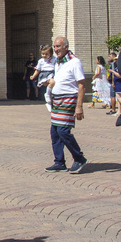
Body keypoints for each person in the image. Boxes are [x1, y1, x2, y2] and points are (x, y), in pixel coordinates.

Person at [45, 36, 88, 174]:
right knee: (55, 132)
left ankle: (79, 158)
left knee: (63, 131)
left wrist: (79, 106)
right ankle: (59, 162)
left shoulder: (74, 62)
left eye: (58, 46)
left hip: (68, 100)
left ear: (66, 47)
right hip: (57, 101)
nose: (56, 49)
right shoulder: (58, 62)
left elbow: (81, 84)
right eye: (55, 46)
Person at [31, 45, 56, 112]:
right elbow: (38, 70)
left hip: (52, 73)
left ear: (51, 53)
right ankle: (47, 94)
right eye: (42, 54)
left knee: (54, 86)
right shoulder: (41, 61)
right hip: (45, 74)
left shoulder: (54, 59)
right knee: (52, 82)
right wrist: (33, 76)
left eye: (46, 54)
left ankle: (49, 103)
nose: (44, 55)